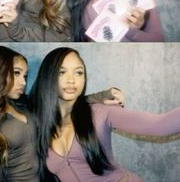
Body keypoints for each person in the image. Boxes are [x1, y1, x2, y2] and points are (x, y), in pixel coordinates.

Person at [0, 46, 124, 182]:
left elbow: (61, 102)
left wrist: (103, 96)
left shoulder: (23, 104)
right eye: (16, 73)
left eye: (25, 75)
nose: (23, 82)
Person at [29, 47, 180, 182]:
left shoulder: (101, 112)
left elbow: (161, 125)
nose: (71, 80)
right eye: (62, 72)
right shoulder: (37, 121)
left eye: (79, 72)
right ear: (48, 76)